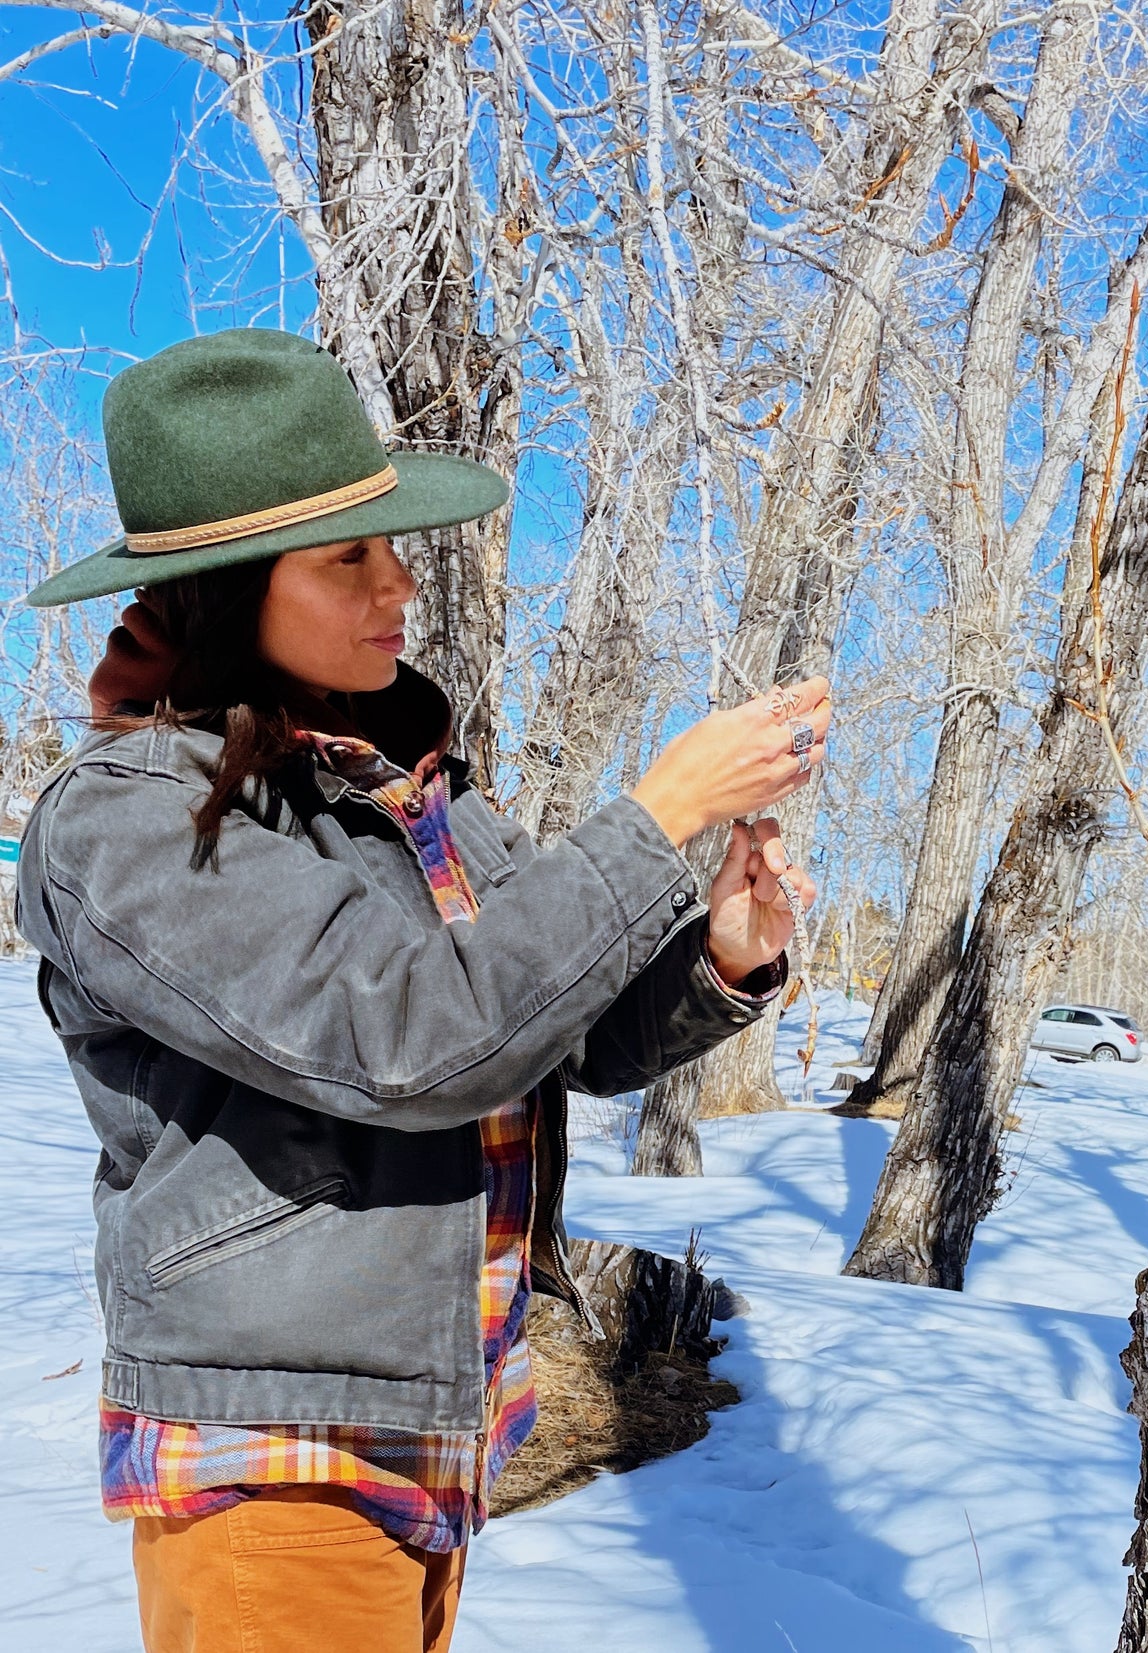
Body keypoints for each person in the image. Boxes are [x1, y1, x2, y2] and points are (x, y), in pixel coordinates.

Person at [15, 328, 830, 1652]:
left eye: (395, 544)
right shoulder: (132, 817)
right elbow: (415, 1040)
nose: (402, 583)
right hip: (274, 1454)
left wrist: (721, 954)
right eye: (350, 555)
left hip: (429, 1438)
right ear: (224, 586)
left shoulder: (398, 788)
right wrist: (658, 809)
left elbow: (548, 1030)